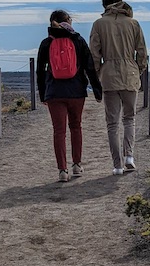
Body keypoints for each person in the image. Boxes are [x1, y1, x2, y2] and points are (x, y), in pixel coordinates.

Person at [37, 9, 102, 182]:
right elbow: (90, 67)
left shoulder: (46, 43)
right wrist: (97, 91)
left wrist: (43, 94)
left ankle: (62, 170)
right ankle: (77, 165)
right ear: (69, 21)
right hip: (76, 92)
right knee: (76, 127)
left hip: (54, 93)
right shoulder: (78, 40)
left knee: (59, 131)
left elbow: (40, 72)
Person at [89, 0, 148, 175]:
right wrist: (138, 70)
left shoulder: (99, 24)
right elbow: (142, 52)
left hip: (109, 77)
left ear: (104, 4)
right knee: (129, 118)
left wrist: (98, 74)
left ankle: (117, 165)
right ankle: (129, 156)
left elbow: (94, 55)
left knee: (112, 123)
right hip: (130, 74)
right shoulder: (133, 24)